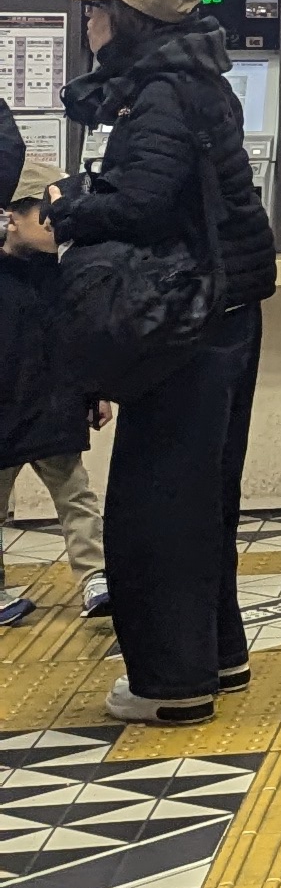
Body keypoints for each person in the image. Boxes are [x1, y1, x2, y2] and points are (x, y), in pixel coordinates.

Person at [2, 0, 273, 727]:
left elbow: (146, 202)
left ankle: (172, 684)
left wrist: (64, 206)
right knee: (202, 496)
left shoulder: (160, 93)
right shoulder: (200, 81)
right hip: (222, 314)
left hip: (182, 324)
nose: (87, 18)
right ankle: (217, 653)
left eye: (96, 6)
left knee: (156, 506)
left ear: (125, 16)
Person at [0, 83, 102, 626]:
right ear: (12, 216)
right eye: (48, 215)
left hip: (54, 402)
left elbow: (80, 334)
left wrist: (95, 392)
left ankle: (94, 576)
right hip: (5, 407)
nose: (59, 227)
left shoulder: (65, 272)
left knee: (75, 493)